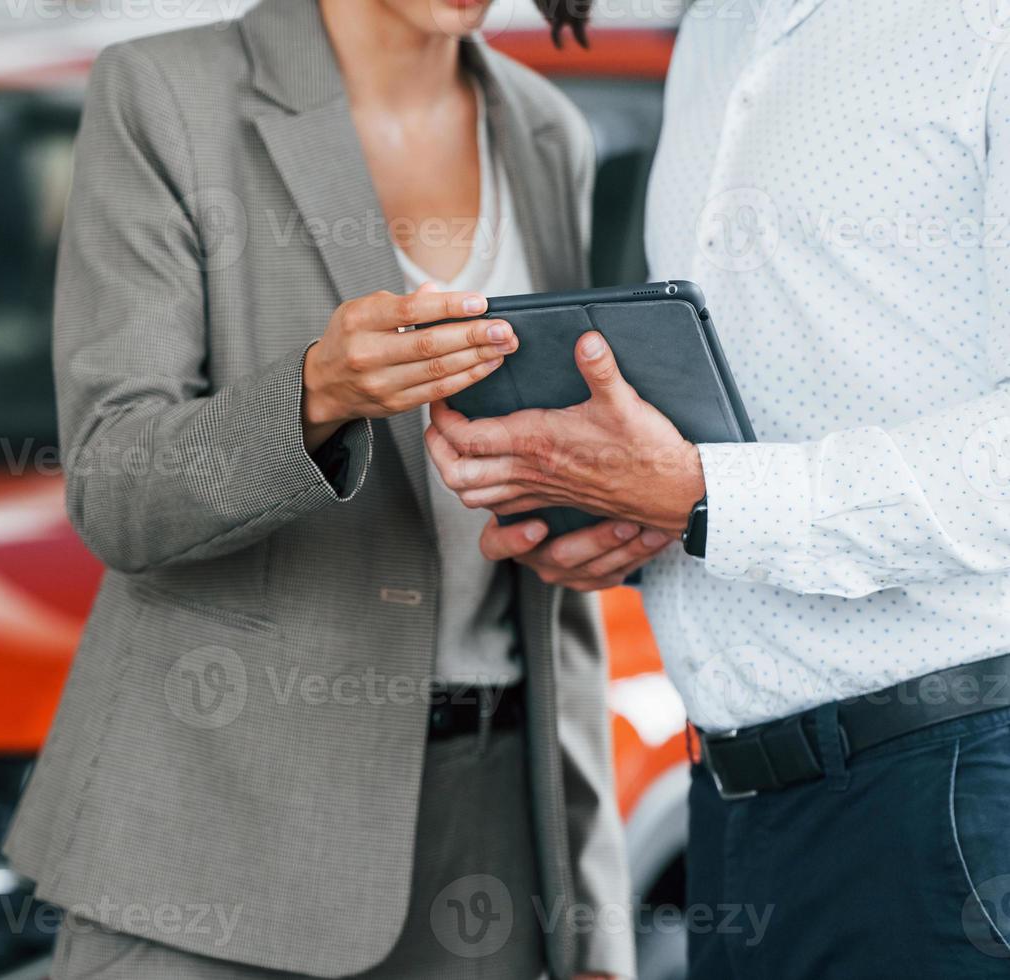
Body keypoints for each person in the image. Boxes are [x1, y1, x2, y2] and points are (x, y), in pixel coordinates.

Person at [0, 1, 633, 977]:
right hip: (220, 839)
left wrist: (589, 915)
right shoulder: (166, 96)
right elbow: (114, 486)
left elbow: (553, 566)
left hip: (491, 844)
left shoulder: (546, 129)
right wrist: (312, 395)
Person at [426, 1, 1010, 976]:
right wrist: (620, 506)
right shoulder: (714, 34)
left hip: (950, 791)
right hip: (733, 810)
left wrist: (703, 495)